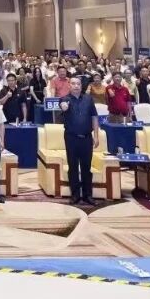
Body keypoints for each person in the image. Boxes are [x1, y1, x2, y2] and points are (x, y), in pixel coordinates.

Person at [61, 77, 100, 206]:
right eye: (73, 84)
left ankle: (88, 195)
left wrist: (96, 136)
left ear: (81, 86)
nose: (76, 86)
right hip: (71, 138)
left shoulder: (88, 99)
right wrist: (64, 106)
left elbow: (94, 117)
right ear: (69, 85)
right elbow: (63, 106)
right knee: (72, 167)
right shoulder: (65, 99)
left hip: (87, 138)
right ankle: (75, 195)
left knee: (86, 167)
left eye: (78, 84)